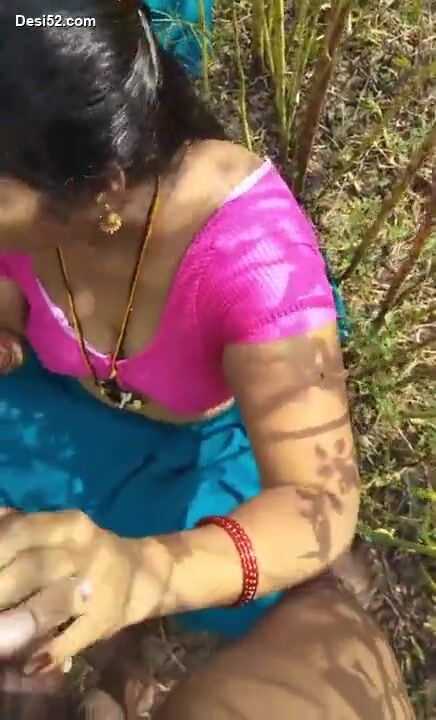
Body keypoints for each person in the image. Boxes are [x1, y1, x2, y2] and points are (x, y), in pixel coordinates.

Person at [0, 1, 413, 718]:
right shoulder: (36, 192)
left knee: (307, 648)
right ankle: (110, 664)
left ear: (97, 193)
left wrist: (140, 575)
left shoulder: (252, 256)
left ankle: (128, 638)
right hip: (52, 409)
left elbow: (318, 503)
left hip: (198, 465)